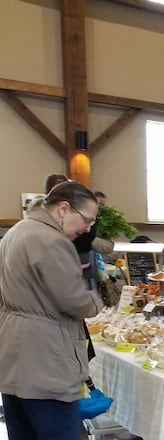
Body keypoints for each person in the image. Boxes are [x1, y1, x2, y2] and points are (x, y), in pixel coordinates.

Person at [0, 181, 103, 440]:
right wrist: (96, 300)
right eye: (87, 219)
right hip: (46, 362)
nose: (88, 228)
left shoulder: (17, 231)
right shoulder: (51, 240)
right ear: (64, 208)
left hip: (13, 359)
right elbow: (74, 301)